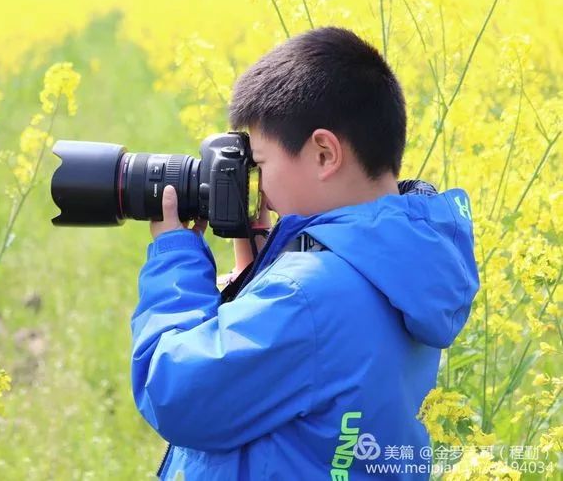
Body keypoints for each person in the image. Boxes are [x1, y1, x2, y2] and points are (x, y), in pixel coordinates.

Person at [131, 26, 480, 480]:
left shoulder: (307, 295)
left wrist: (174, 258)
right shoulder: (401, 260)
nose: (256, 184)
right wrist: (256, 273)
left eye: (260, 163)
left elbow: (176, 393)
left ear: (323, 154)